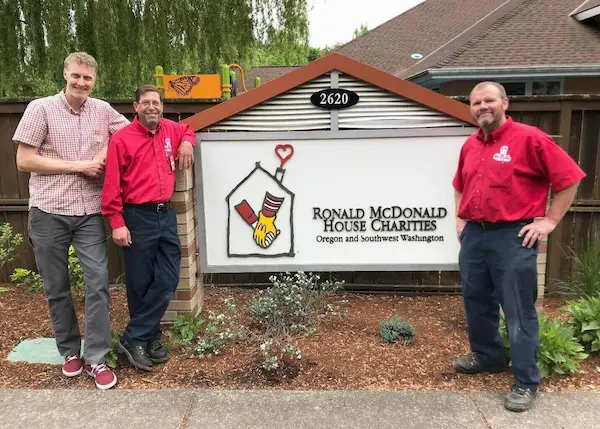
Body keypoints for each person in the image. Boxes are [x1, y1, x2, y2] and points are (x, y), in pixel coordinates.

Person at [451, 81, 586, 412]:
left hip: (513, 236)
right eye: (476, 102)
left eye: (489, 100)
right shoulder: (470, 146)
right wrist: (459, 220)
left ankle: (526, 381)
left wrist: (549, 221)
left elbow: (569, 180)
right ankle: (488, 356)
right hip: (475, 236)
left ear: (505, 103)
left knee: (518, 309)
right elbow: (459, 185)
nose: (482, 106)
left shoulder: (530, 139)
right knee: (476, 300)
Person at [13, 52, 129, 390]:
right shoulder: (41, 108)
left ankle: (95, 357)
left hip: (89, 212)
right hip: (48, 210)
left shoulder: (103, 110)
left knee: (97, 284)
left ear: (95, 81)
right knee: (56, 287)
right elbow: (24, 160)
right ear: (65, 74)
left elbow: (128, 136)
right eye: (76, 76)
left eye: (87, 78)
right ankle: (69, 351)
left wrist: (104, 154)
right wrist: (79, 165)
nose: (81, 83)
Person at [101, 84, 195, 371]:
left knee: (167, 278)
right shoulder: (121, 139)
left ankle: (133, 336)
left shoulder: (170, 129)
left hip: (164, 215)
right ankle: (148, 338)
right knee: (140, 283)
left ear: (162, 106)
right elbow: (111, 185)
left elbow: (188, 129)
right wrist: (117, 222)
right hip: (136, 216)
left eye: (156, 102)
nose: (151, 107)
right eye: (146, 103)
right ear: (136, 107)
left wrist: (187, 143)